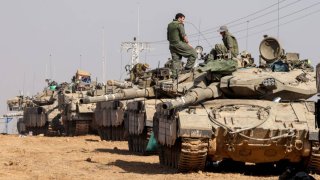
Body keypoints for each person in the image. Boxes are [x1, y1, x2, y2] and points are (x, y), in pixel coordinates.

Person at [167, 13, 197, 78]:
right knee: (194, 53)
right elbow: (183, 35)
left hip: (171, 45)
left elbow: (168, 38)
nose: (183, 21)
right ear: (179, 18)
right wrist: (188, 44)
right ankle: (187, 69)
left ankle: (175, 76)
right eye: (183, 19)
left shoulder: (169, 25)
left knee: (176, 61)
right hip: (179, 44)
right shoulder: (179, 24)